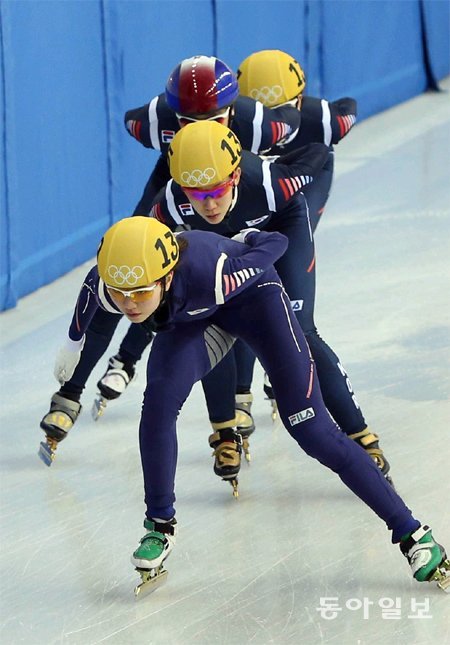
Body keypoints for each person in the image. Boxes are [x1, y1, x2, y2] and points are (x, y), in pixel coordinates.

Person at [55, 214, 449, 595]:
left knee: (312, 431)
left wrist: (247, 240)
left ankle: (413, 534)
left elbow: (277, 243)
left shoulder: (215, 274)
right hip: (195, 317)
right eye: (121, 293)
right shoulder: (110, 283)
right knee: (157, 403)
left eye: (141, 291)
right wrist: (73, 346)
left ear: (167, 275)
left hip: (252, 301)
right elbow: (89, 300)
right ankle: (159, 525)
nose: (130, 303)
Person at [39, 53, 301, 442]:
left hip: (230, 191)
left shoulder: (261, 124)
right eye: (186, 124)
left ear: (233, 111)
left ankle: (237, 395)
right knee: (126, 267)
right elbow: (132, 121)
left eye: (212, 122)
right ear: (171, 118)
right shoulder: (157, 118)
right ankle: (71, 390)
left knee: (224, 287)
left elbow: (301, 126)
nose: (197, 131)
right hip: (177, 185)